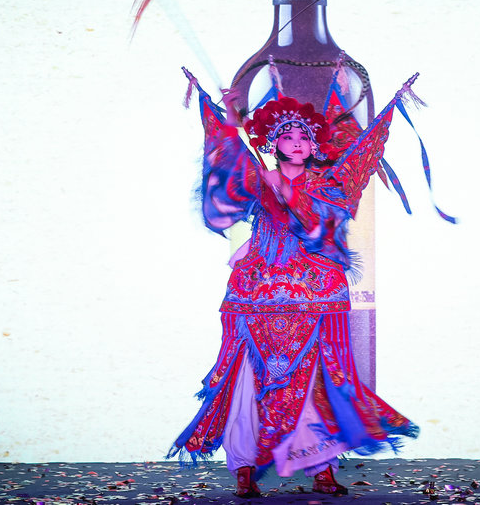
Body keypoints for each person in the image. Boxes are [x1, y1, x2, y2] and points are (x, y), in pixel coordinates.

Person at [168, 69, 419, 498]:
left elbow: (323, 222)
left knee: (320, 377)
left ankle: (321, 466)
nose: (297, 143)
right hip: (257, 293)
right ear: (273, 144)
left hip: (313, 293)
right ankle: (244, 467)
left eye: (304, 137)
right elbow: (228, 163)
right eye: (287, 137)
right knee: (245, 378)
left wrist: (286, 190)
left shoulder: (329, 184)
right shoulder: (259, 178)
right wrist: (229, 115)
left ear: (314, 145)